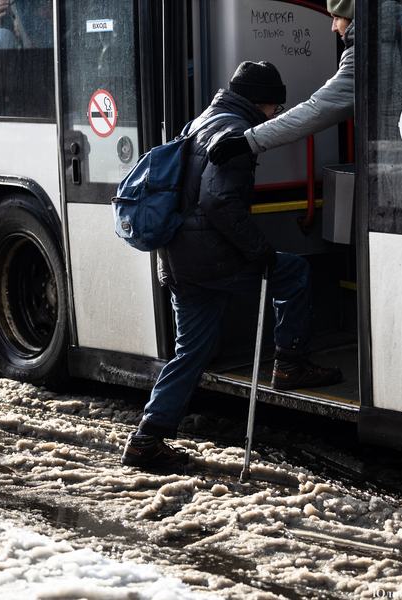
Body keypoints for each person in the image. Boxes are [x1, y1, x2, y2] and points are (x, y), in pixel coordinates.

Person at [121, 62, 343, 471]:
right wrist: (261, 253)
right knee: (292, 272)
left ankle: (146, 440)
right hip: (212, 258)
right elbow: (217, 200)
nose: (277, 113)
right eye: (277, 105)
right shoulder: (234, 136)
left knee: (190, 352)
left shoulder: (202, 120)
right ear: (265, 101)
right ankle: (290, 364)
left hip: (178, 258)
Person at [208, 0, 355, 166]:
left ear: (354, 18)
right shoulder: (368, 47)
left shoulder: (361, 54)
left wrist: (248, 141)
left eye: (337, 18)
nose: (333, 27)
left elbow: (317, 110)